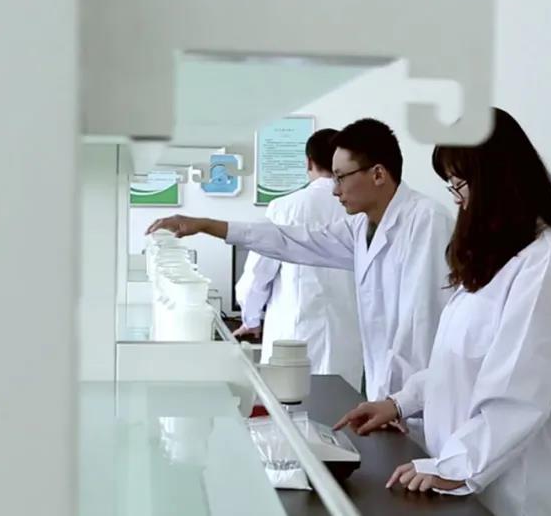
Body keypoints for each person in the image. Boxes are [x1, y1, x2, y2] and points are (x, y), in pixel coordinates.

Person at [333, 108, 551, 516]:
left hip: (510, 487)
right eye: (450, 184)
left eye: (460, 183)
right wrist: (398, 402)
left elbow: (519, 395)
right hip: (462, 471)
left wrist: (455, 469)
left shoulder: (542, 265)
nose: (457, 197)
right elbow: (455, 363)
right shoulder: (495, 259)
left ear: (497, 180)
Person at [148, 118, 453, 401]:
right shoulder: (361, 226)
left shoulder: (426, 220)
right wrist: (206, 225)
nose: (335, 191)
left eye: (341, 178)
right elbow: (290, 240)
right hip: (386, 392)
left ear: (378, 174)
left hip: (416, 399)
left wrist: (399, 402)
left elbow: (423, 325)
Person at [233, 128, 363, 389]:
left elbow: (259, 274)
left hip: (293, 336)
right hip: (347, 337)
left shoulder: (284, 207)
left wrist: (251, 319)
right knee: (341, 405)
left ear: (308, 162)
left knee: (290, 405)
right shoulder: (360, 208)